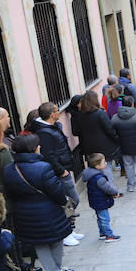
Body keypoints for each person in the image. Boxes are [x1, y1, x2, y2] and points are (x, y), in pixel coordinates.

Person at [3, 134, 75, 271]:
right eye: (38, 145)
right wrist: (65, 202)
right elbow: (56, 191)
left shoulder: (9, 169)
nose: (40, 147)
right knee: (56, 240)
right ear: (33, 149)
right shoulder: (43, 167)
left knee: (39, 243)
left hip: (24, 212)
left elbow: (9, 193)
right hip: (47, 210)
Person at [28, 102, 80, 246]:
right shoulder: (44, 132)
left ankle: (69, 229)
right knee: (69, 201)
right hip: (59, 172)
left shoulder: (52, 127)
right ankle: (66, 233)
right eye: (57, 110)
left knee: (70, 201)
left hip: (63, 167)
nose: (59, 112)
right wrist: (61, 170)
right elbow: (48, 155)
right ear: (52, 114)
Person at [72, 91, 121, 171]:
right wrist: (117, 139)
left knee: (94, 170)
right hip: (104, 147)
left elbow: (77, 131)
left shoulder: (79, 115)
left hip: (89, 147)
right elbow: (109, 129)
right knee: (106, 170)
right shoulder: (100, 113)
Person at [81, 153, 122, 242]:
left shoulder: (91, 174)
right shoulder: (98, 177)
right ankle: (109, 235)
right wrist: (115, 193)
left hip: (95, 200)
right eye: (103, 163)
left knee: (100, 218)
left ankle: (102, 233)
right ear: (97, 166)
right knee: (105, 219)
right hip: (101, 201)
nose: (106, 164)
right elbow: (108, 188)